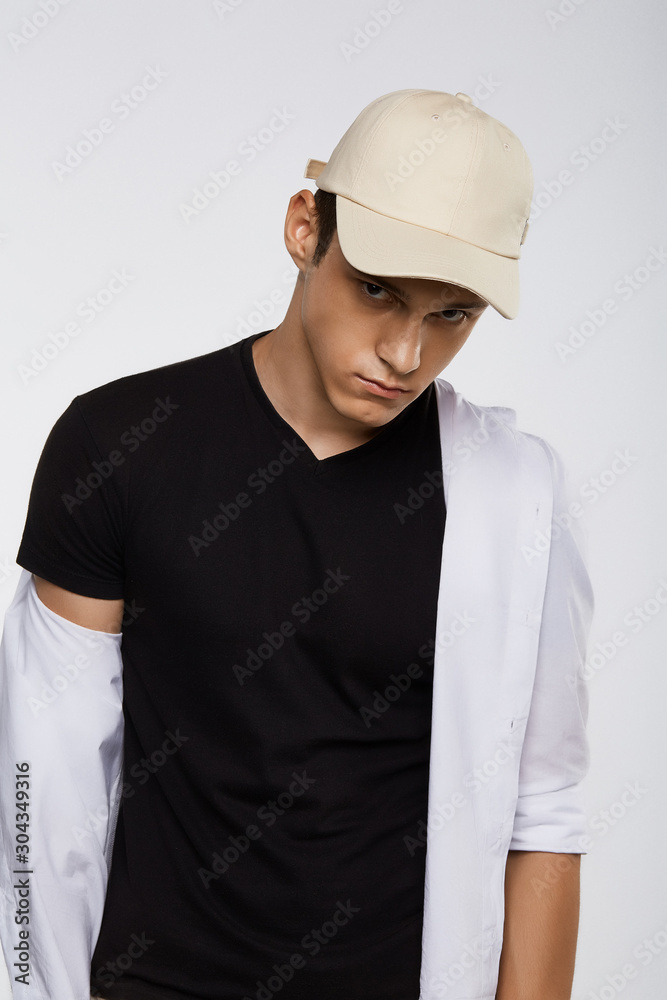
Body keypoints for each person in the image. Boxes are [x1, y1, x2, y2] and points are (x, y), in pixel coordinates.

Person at [0, 89, 593, 1000]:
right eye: (376, 290)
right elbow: (40, 782)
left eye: (451, 315)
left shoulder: (516, 496)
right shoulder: (118, 444)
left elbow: (543, 812)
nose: (404, 352)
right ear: (303, 227)